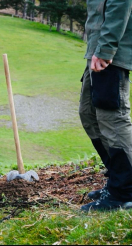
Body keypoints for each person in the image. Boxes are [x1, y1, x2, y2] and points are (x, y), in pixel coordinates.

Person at [79, 0, 132, 211]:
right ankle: (118, 180)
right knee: (89, 114)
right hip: (97, 49)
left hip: (111, 53)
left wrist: (106, 48)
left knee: (113, 119)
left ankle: (125, 192)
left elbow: (121, 4)